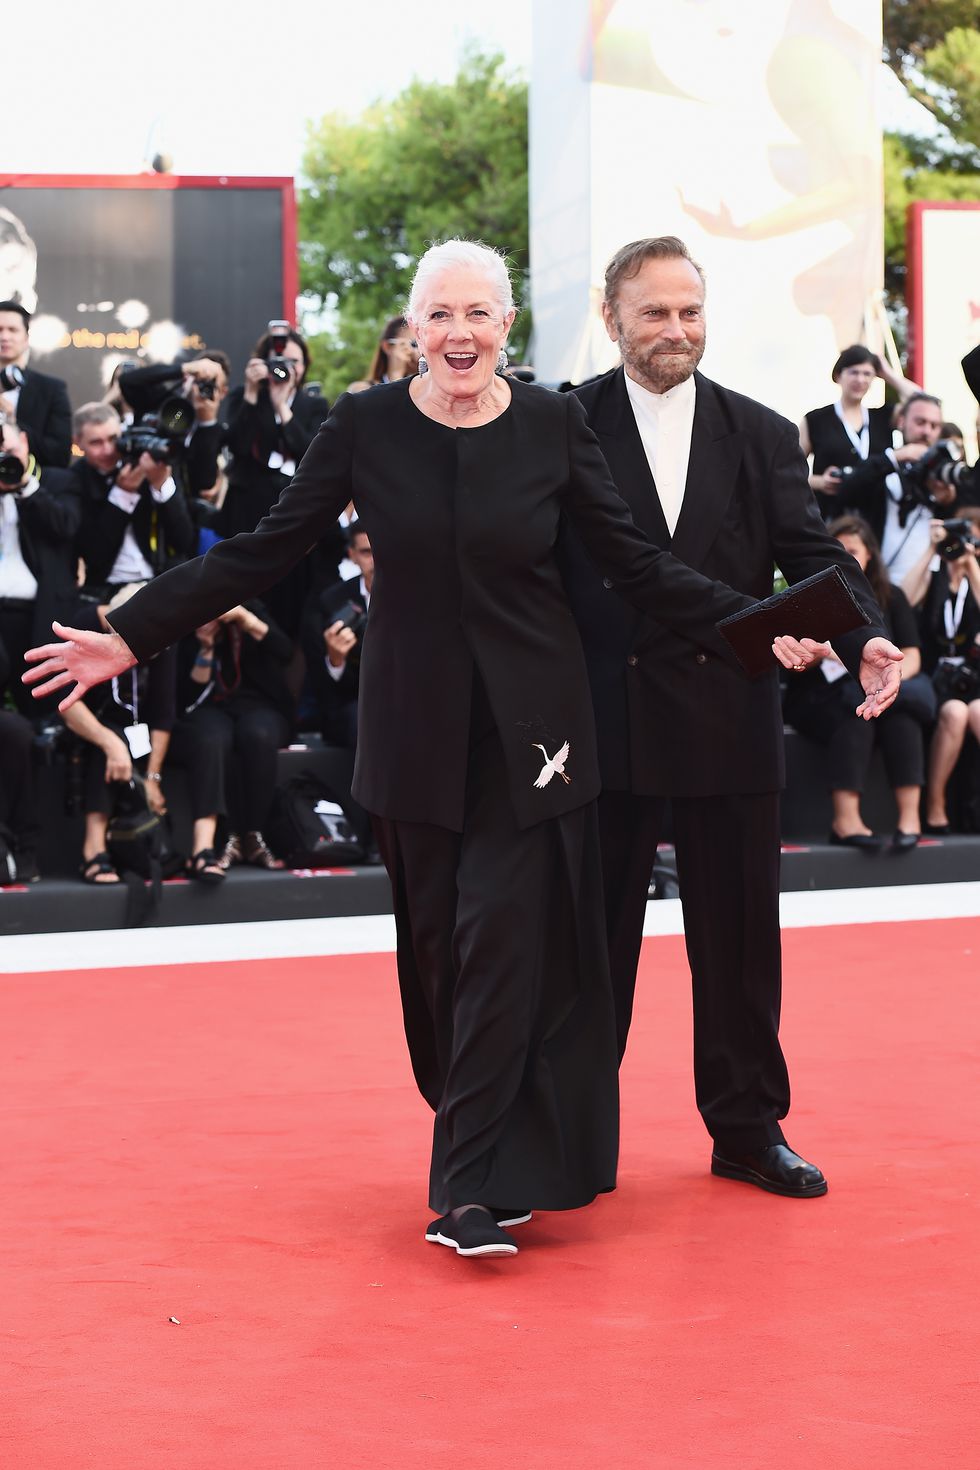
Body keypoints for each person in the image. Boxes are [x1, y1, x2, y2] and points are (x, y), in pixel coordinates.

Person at [24, 239, 901, 1260]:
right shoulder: (363, 426)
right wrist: (135, 629)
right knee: (439, 952)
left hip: (537, 738)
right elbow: (267, 548)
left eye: (479, 314)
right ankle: (486, 1141)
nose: (459, 333)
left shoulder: (548, 425)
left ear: (506, 327)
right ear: (412, 329)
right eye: (439, 314)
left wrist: (786, 624)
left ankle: (471, 1188)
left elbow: (642, 570)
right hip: (413, 731)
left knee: (504, 943)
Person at [559, 235, 900, 1200]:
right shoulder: (562, 422)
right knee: (591, 947)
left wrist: (858, 634)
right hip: (602, 716)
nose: (676, 330)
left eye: (690, 311)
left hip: (728, 711)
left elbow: (806, 552)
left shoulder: (758, 431)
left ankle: (749, 1128)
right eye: (656, 311)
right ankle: (576, 1138)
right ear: (612, 315)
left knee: (743, 942)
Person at [783, 515, 933, 850]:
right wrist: (819, 654)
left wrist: (886, 683)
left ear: (869, 556)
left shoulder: (891, 596)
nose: (846, 556)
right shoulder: (806, 599)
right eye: (839, 549)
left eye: (853, 550)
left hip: (876, 690)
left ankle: (910, 819)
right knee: (857, 714)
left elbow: (912, 655)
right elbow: (792, 663)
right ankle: (845, 819)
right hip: (818, 695)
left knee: (902, 717)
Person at [827, 392, 957, 590]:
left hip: (923, 596)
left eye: (934, 426)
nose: (926, 431)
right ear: (902, 422)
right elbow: (848, 490)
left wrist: (947, 500)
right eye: (920, 422)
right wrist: (896, 457)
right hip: (876, 589)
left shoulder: (942, 477)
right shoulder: (883, 464)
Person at [913, 506, 980, 833]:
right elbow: (906, 597)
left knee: (979, 711)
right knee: (955, 713)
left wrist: (972, 566)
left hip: (973, 675)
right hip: (937, 676)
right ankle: (935, 803)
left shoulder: (975, 576)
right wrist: (932, 548)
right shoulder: (934, 574)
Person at [799, 344, 920, 519]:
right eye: (854, 372)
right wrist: (819, 482)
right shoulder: (815, 420)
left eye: (867, 374)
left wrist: (888, 374)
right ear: (838, 375)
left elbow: (924, 403)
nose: (860, 379)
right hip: (829, 517)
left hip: (876, 518)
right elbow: (788, 470)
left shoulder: (883, 417)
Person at [0, 300, 72, 468]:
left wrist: (12, 422)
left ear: (26, 338)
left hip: (34, 486)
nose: (5, 337)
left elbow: (59, 456)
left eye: (13, 330)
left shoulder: (52, 389)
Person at [348, 315, 420, 392]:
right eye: (414, 344)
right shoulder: (362, 390)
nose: (419, 350)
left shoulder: (426, 388)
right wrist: (396, 375)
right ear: (387, 347)